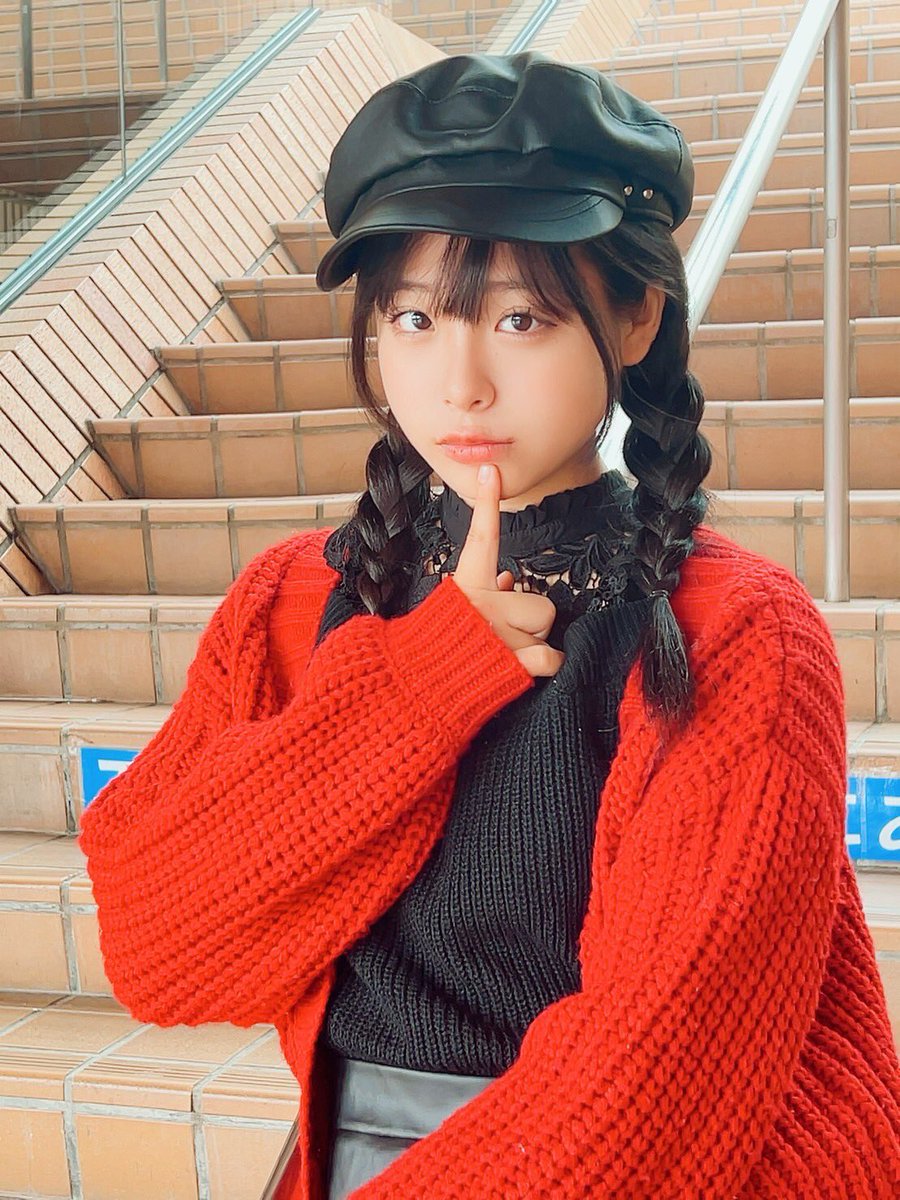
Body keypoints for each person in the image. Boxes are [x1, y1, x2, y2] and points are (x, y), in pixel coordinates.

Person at [78, 51, 900, 1200]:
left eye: (519, 317)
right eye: (413, 317)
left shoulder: (735, 630)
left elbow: (658, 1089)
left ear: (635, 316)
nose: (459, 382)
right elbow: (159, 953)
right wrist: (416, 688)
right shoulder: (293, 599)